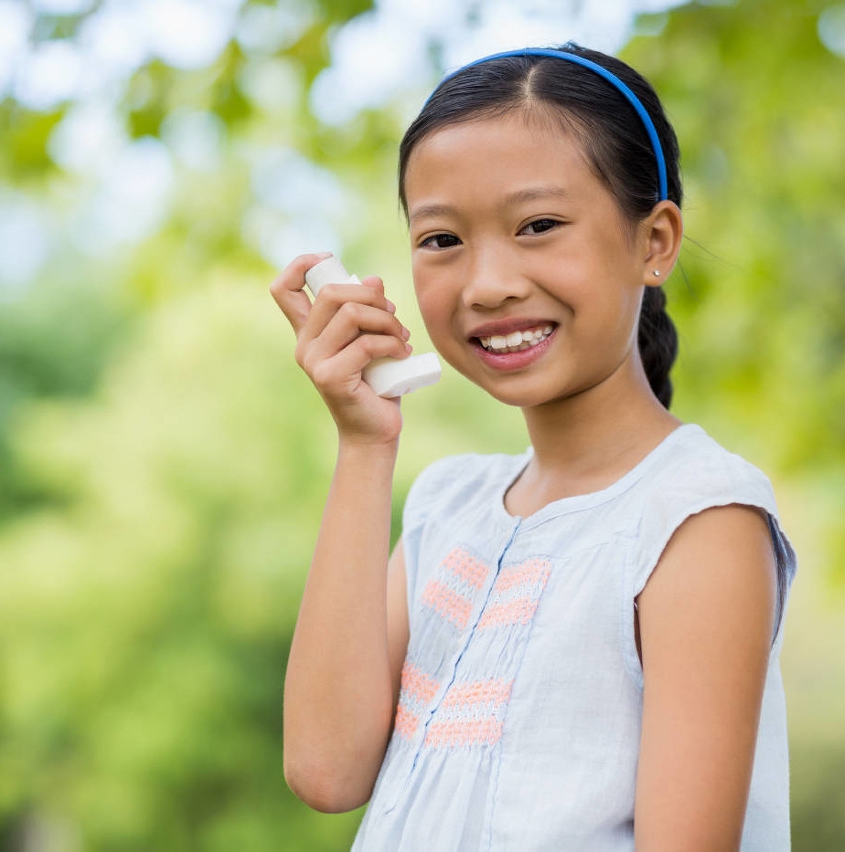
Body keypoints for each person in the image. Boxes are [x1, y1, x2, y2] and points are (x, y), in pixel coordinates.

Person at [273, 42, 799, 851]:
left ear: (654, 242)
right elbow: (326, 770)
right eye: (442, 239)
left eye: (540, 226)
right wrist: (363, 445)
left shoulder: (695, 520)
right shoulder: (449, 505)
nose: (488, 283)